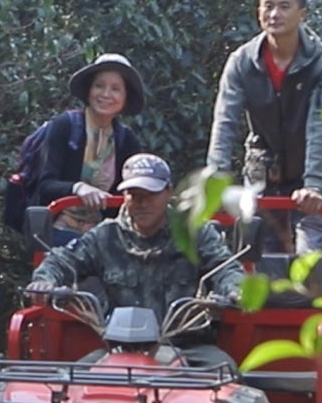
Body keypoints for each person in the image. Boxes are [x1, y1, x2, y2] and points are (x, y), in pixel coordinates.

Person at [27, 154, 244, 371]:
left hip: (187, 346)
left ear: (168, 192)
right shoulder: (105, 236)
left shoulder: (194, 232)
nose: (142, 203)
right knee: (72, 383)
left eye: (150, 194)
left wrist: (235, 289)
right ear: (124, 196)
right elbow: (62, 260)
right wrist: (44, 282)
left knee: (225, 373)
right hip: (120, 349)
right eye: (134, 194)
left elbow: (225, 266)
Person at [205, 0, 322, 255]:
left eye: (284, 6)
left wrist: (313, 184)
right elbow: (225, 122)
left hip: (308, 172)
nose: (274, 14)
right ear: (258, 12)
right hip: (263, 173)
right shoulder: (242, 61)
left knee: (312, 262)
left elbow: (320, 125)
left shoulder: (320, 63)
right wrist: (216, 179)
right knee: (259, 261)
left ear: (301, 14)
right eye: (268, 6)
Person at [34, 53, 145, 246]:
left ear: (125, 98)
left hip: (103, 233)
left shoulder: (126, 140)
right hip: (60, 229)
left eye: (116, 89)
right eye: (99, 86)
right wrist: (78, 188)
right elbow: (45, 184)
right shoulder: (65, 126)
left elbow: (135, 192)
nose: (106, 94)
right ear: (89, 90)